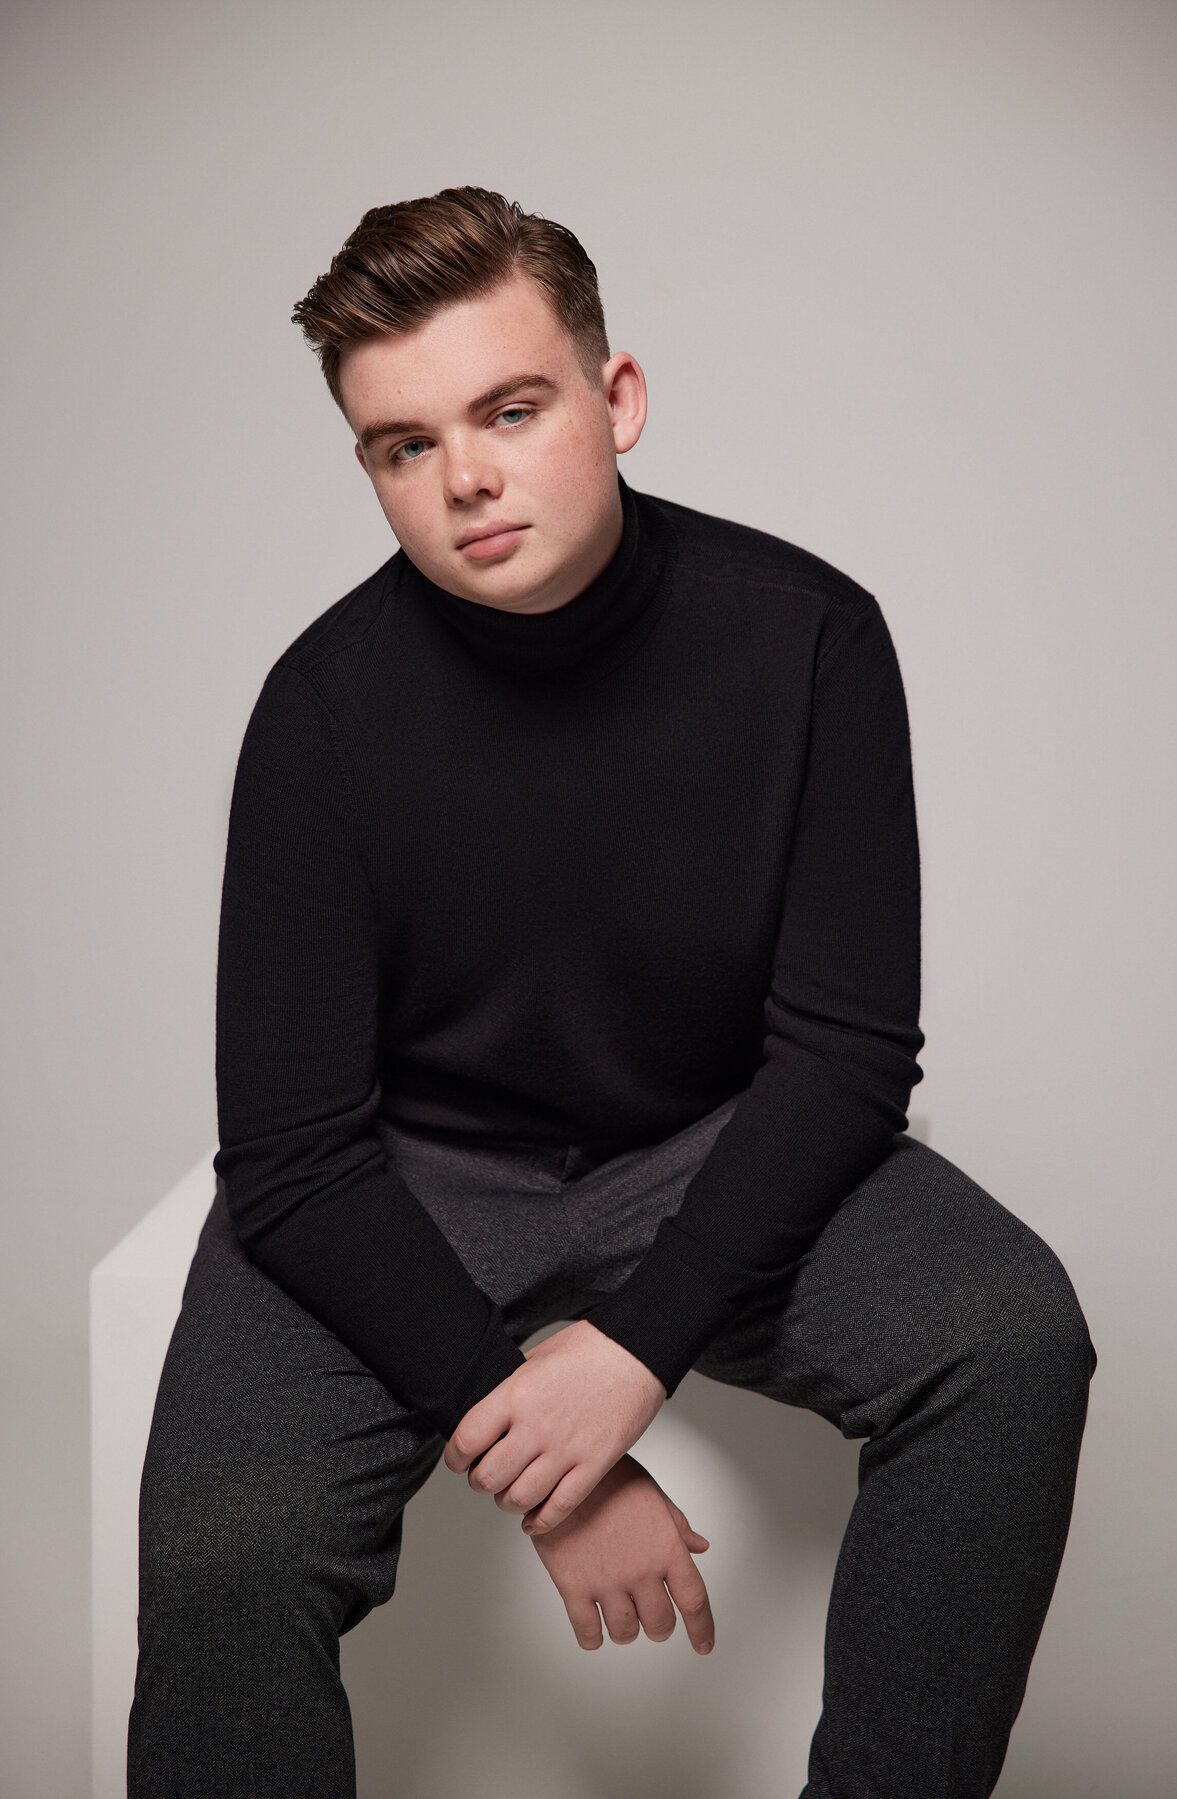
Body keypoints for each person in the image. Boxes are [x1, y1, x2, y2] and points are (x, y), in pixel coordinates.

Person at [128, 185, 1096, 1799]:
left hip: (704, 1143)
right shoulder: (320, 713)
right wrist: (549, 1459)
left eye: (510, 409)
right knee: (228, 1553)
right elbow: (292, 1154)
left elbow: (850, 1053)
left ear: (616, 398)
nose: (469, 478)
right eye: (404, 446)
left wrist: (637, 1350)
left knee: (1010, 1338)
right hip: (401, 1178)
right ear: (369, 468)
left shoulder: (808, 638)